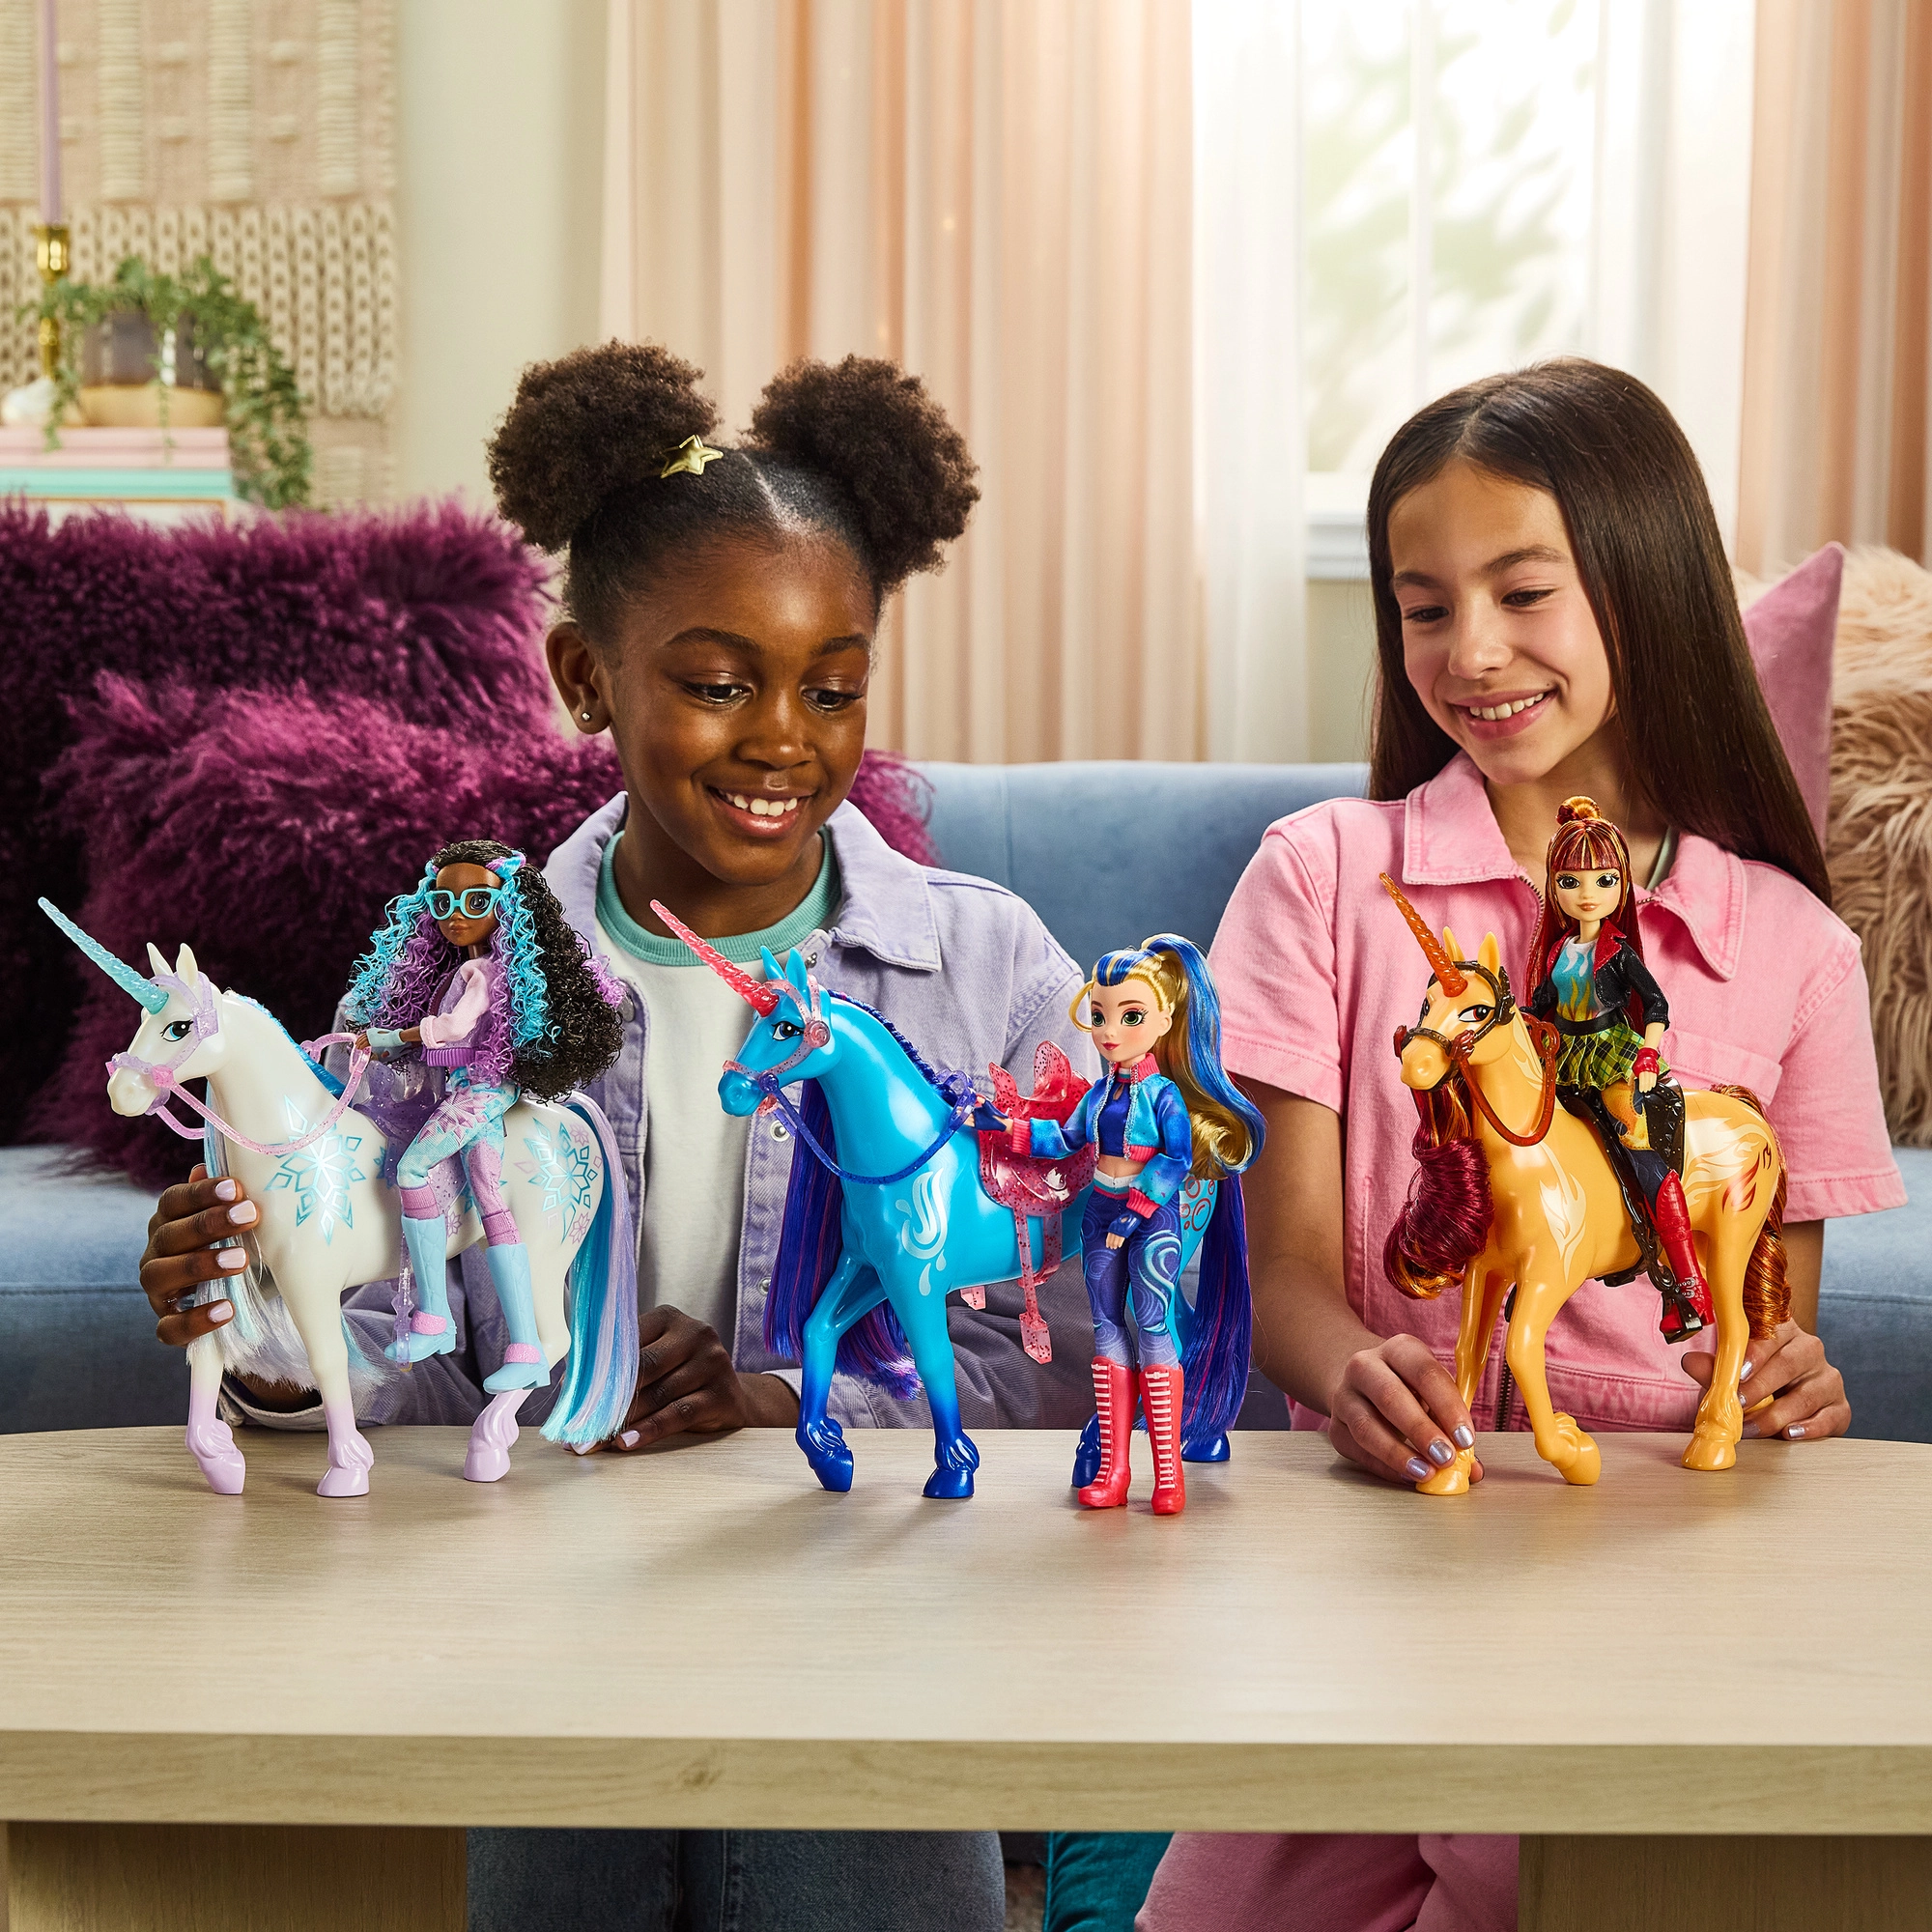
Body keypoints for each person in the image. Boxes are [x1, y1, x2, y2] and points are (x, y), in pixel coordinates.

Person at [135, 341, 1099, 1932]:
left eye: (833, 685)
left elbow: (1071, 1342)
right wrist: (254, 1330)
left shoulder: (987, 969)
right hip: (539, 1605)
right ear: (588, 679)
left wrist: (784, 1401)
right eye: (719, 683)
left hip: (871, 1608)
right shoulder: (456, 991)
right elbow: (398, 1333)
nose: (784, 737)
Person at [1139, 358, 1904, 1932]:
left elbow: (1770, 1327)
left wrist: (1795, 1380)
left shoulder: (1794, 949)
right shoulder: (1321, 879)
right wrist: (1353, 1369)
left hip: (1646, 1585)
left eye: (1523, 592)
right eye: (1423, 607)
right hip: (1369, 1549)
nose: (1470, 652)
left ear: (1646, 585)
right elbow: (1282, 1279)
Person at [344, 840, 625, 1378]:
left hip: (479, 1092)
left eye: (476, 902)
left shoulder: (482, 973)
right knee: (493, 1204)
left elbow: (453, 1028)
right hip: (482, 1091)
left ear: (507, 905)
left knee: (412, 1168)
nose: (455, 916)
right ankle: (526, 1349)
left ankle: (434, 1316)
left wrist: (389, 1037)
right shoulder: (483, 969)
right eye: (442, 902)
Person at [1005, 935, 1263, 1513]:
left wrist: (1137, 1210)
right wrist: (1005, 1128)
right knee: (1105, 1328)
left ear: (1164, 1020)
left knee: (1151, 1324)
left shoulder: (1164, 1096)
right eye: (1099, 1016)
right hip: (1101, 1209)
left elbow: (1175, 1160)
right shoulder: (1099, 1094)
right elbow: (1063, 1139)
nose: (1109, 1032)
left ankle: (1169, 1476)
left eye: (1130, 1016)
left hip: (1151, 1218)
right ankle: (1115, 1471)